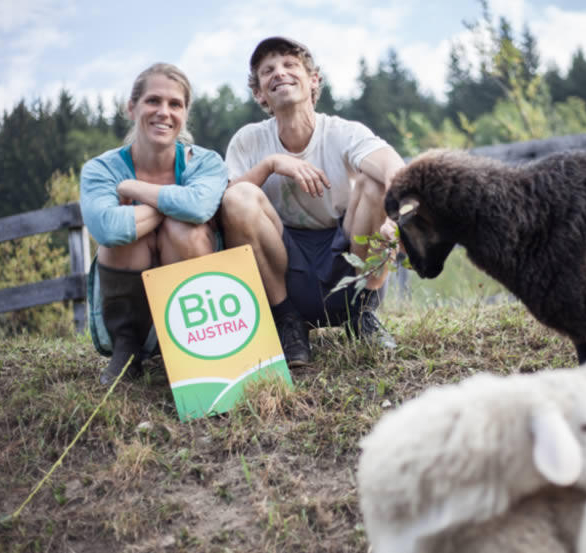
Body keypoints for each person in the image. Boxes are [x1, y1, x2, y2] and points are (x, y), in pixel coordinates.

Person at [219, 36, 406, 367]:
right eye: (268, 70)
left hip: (347, 259)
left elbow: (390, 164)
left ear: (313, 80)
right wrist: (271, 164)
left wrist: (399, 213)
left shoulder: (342, 131)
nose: (280, 73)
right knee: (239, 197)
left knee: (376, 182)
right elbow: (222, 206)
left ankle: (362, 313)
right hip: (283, 265)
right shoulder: (248, 141)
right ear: (260, 93)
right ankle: (288, 323)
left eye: (290, 65)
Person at [80, 63, 228, 385]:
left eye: (175, 104)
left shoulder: (205, 161)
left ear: (185, 113)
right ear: (131, 108)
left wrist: (135, 191)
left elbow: (201, 207)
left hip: (193, 290)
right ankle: (128, 347)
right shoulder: (100, 169)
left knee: (182, 228)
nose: (164, 112)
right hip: (133, 279)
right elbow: (106, 228)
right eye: (153, 101)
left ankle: (193, 346)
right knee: (126, 232)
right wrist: (173, 203)